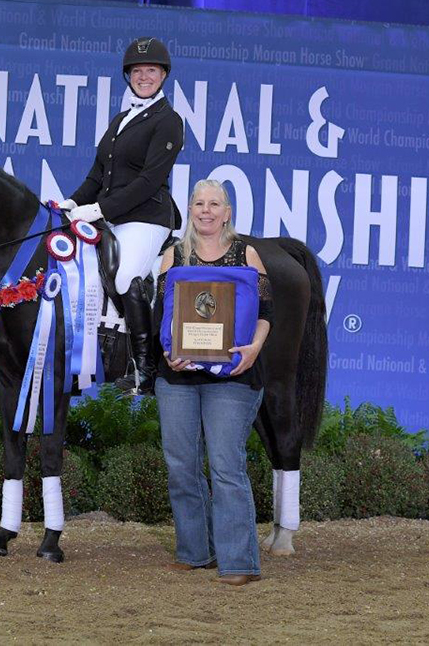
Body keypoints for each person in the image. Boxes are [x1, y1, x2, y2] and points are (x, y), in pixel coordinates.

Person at [154, 179, 274, 586]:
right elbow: (164, 314)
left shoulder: (247, 254)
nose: (206, 210)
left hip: (234, 377)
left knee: (225, 466)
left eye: (214, 203)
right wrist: (170, 351)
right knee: (181, 467)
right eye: (199, 203)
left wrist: (255, 348)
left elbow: (266, 311)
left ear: (227, 212)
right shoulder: (173, 255)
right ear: (190, 210)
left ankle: (239, 562)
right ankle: (195, 552)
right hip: (177, 376)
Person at [60, 36, 184, 395]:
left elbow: (148, 181)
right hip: (113, 217)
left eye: (151, 71)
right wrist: (71, 203)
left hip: (147, 217)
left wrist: (99, 209)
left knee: (125, 275)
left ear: (163, 75)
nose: (144, 77)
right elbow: (98, 175)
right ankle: (86, 364)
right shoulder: (120, 120)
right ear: (128, 75)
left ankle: (145, 368)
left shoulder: (169, 121)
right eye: (137, 71)